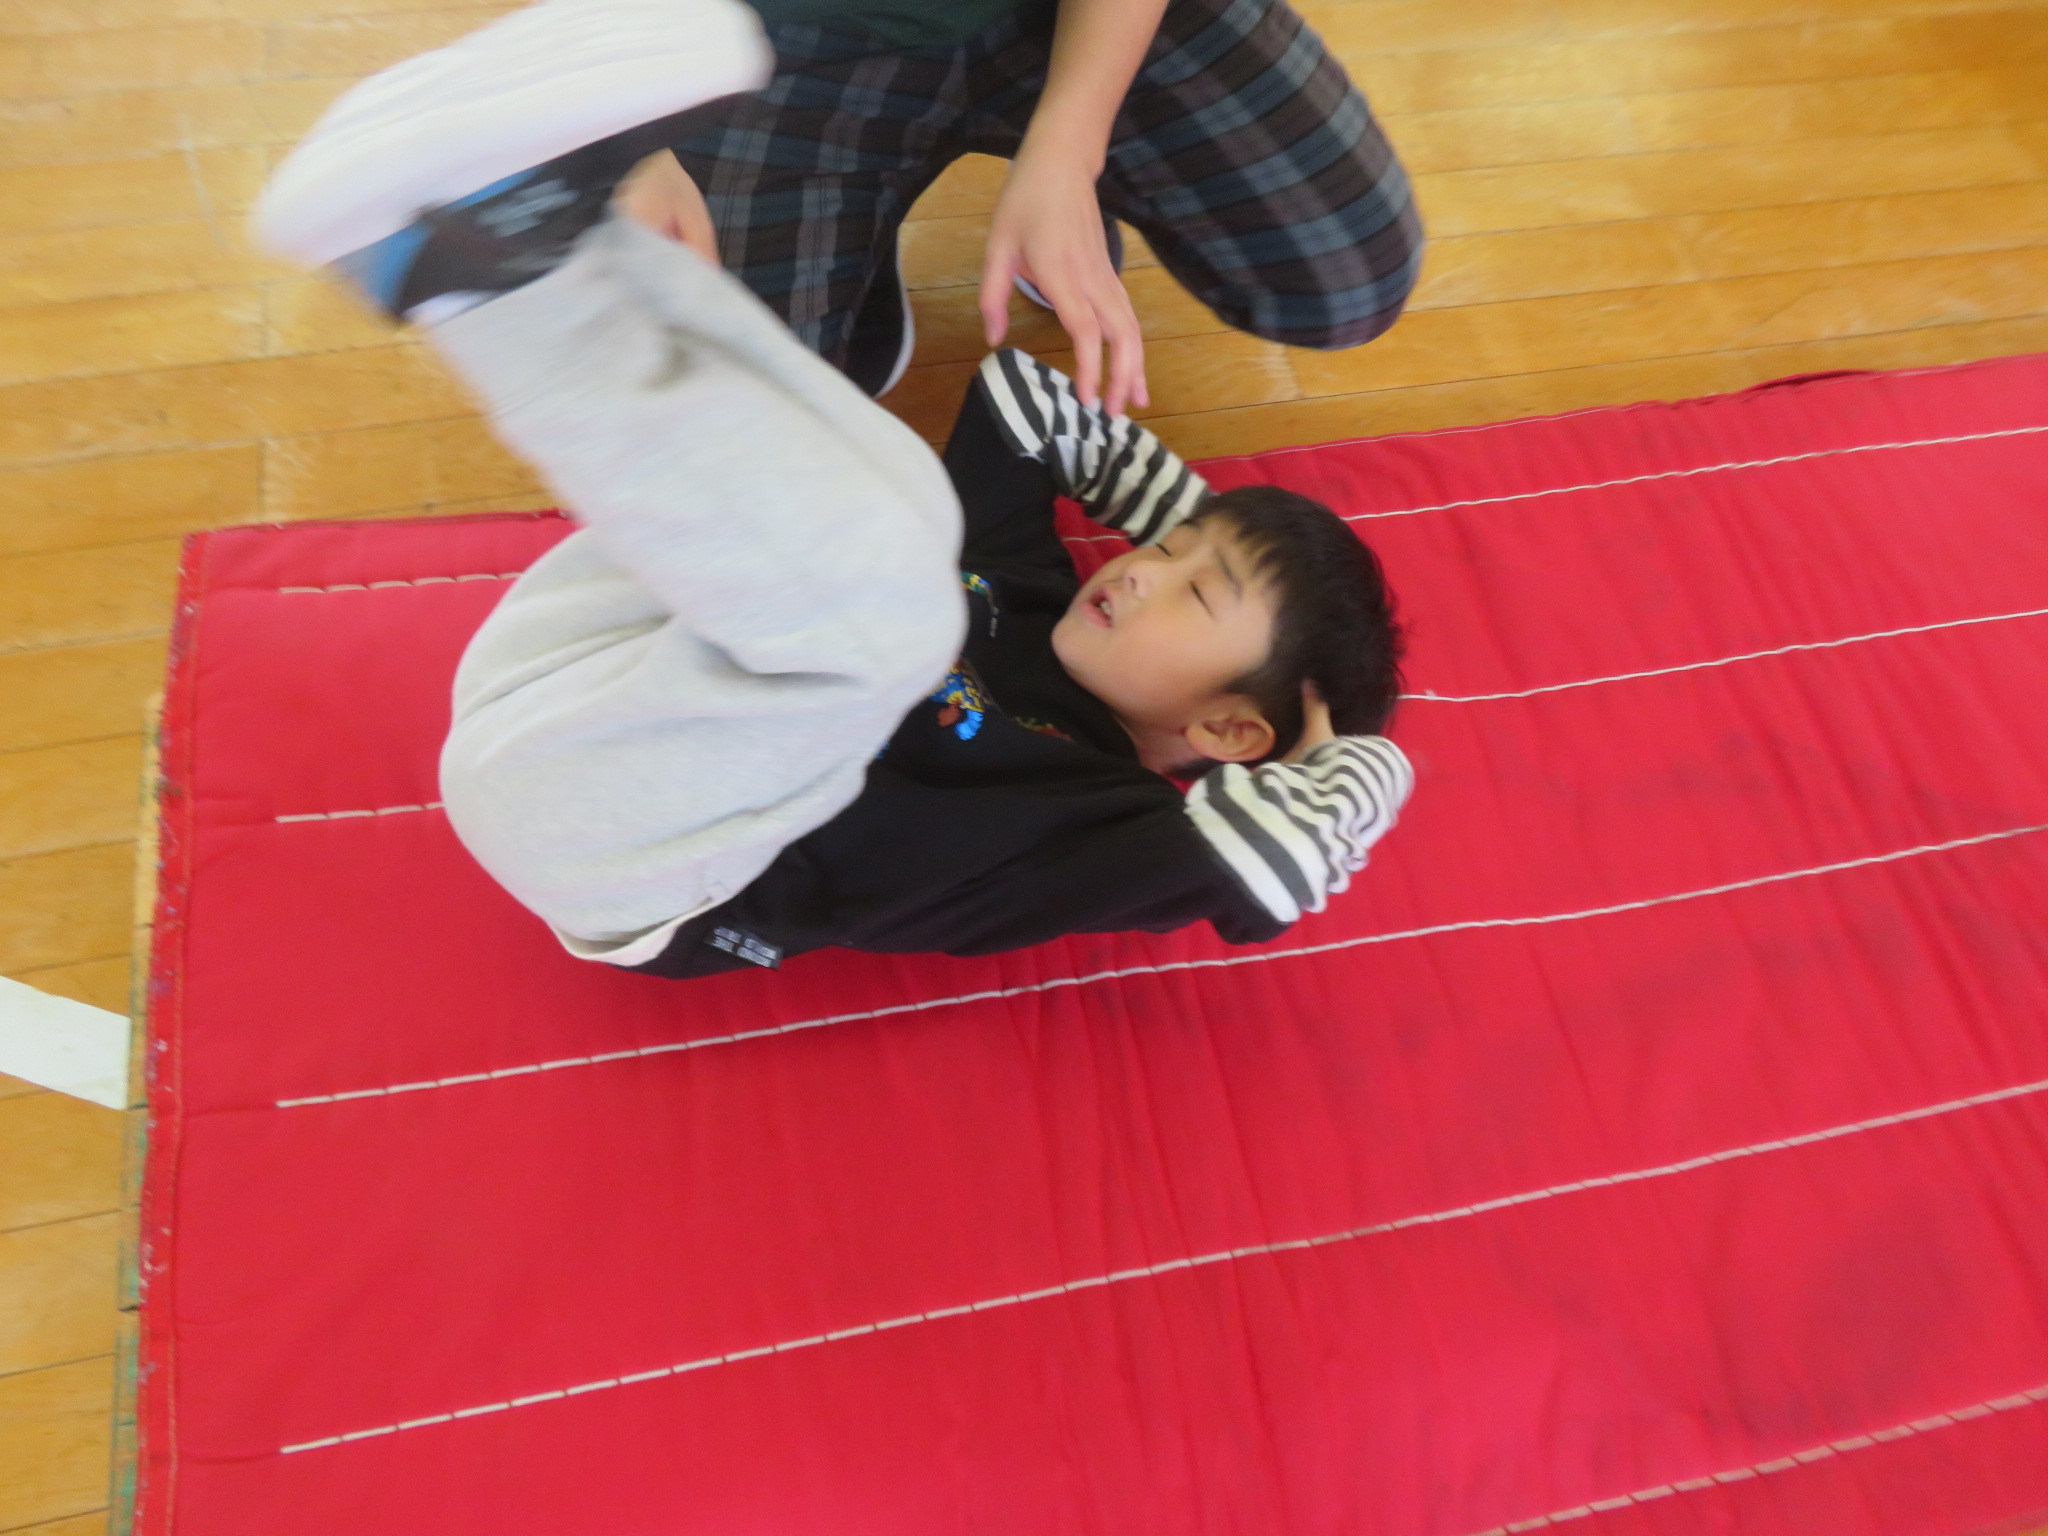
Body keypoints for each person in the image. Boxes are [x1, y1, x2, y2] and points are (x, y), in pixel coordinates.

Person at [254, 0, 1414, 979]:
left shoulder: (1104, 827)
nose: (1143, 571)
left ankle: (479, 271)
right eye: (1163, 551)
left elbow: (1286, 861)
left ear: (1229, 731)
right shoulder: (1025, 587)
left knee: (892, 608)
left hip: (627, 845)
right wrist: (1208, 532)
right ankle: (564, 224)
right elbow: (1022, 404)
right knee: (903, 500)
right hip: (589, 672)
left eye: (1193, 594)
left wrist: (1322, 744)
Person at [652, 0, 1425, 410]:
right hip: (779, 40)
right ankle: (867, 219)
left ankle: (1063, 179)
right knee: (753, 418)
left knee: (1348, 276)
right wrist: (630, 141)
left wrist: (1071, 148)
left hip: (1051, 13)